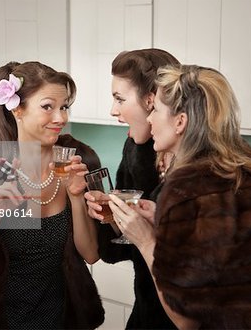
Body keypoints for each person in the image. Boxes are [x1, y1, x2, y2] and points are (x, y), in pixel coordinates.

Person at [109, 64, 251, 329]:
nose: (149, 118)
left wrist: (146, 240)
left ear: (180, 121)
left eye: (156, 110)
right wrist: (163, 219)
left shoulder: (187, 191)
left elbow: (185, 318)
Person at [0, 61, 105, 329]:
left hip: (52, 317)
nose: (61, 118)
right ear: (17, 109)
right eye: (48, 107)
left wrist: (77, 196)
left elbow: (90, 255)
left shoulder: (79, 162)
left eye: (64, 107)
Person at [86, 48, 179, 329]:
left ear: (152, 100)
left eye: (120, 99)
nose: (113, 110)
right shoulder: (135, 150)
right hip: (146, 314)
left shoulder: (198, 174)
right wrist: (113, 217)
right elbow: (122, 249)